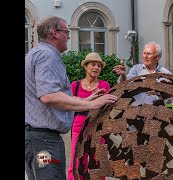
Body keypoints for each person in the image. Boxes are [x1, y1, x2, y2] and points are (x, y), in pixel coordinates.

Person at [25, 16, 118, 180]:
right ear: (54, 33)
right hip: (44, 142)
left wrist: (87, 100)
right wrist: (93, 103)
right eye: (66, 31)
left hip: (36, 140)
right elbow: (49, 95)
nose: (69, 36)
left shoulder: (34, 54)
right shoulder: (47, 55)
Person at [67, 52, 111, 180]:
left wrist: (101, 98)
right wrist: (90, 99)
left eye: (99, 65)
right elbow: (70, 103)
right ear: (86, 66)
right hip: (79, 125)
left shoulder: (104, 85)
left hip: (98, 126)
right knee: (76, 160)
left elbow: (108, 107)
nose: (96, 67)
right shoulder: (75, 85)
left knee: (97, 160)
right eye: (93, 64)